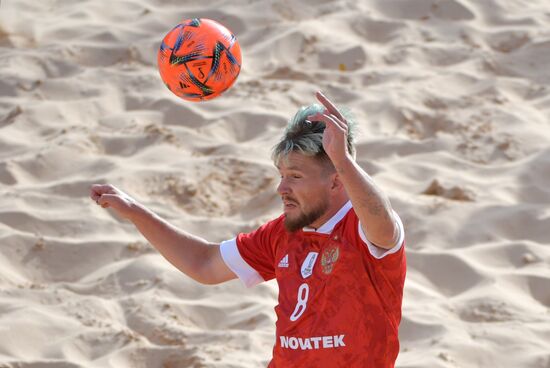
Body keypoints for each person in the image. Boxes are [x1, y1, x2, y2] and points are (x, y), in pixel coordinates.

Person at [90, 91, 406, 367]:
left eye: (295, 176)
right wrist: (134, 212)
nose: (282, 188)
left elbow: (382, 221)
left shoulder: (364, 230)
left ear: (337, 180)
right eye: (281, 175)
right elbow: (204, 263)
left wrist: (344, 160)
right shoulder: (281, 234)